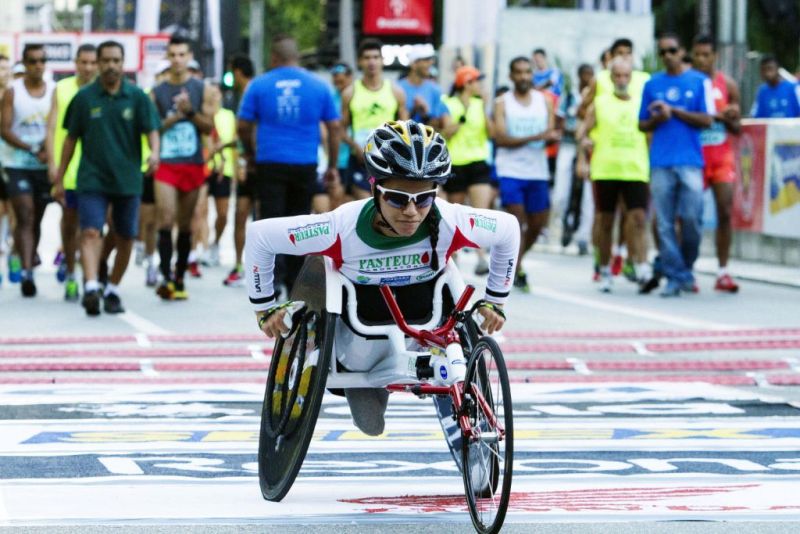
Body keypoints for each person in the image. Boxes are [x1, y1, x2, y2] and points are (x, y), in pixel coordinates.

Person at [246, 119, 519, 436]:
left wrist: (496, 300)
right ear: (374, 188)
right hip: (360, 339)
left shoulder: (451, 220)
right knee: (371, 424)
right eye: (398, 198)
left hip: (427, 328)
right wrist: (264, 306)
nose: (412, 212)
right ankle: (364, 384)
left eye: (424, 198)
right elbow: (260, 237)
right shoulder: (340, 227)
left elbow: (509, 230)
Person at [55, 40, 160, 315]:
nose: (111, 66)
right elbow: (70, 140)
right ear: (99, 63)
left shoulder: (136, 97)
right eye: (106, 61)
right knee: (90, 231)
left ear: (123, 63)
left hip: (127, 180)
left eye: (116, 60)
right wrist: (59, 178)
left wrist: (155, 153)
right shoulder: (84, 98)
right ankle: (90, 287)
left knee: (125, 236)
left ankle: (112, 288)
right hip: (91, 179)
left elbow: (152, 130)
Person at [237, 34, 341, 295]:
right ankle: (295, 281)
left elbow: (243, 125)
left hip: (270, 162)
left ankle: (270, 282)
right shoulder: (319, 86)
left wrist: (250, 153)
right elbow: (334, 126)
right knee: (299, 222)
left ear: (274, 57)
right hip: (305, 163)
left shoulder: (259, 85)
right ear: (297, 57)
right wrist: (332, 164)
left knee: (270, 221)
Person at [638, 33, 713, 297]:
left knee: (692, 218)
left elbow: (707, 120)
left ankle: (685, 267)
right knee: (665, 223)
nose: (668, 56)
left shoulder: (699, 81)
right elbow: (641, 123)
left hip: (690, 160)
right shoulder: (652, 83)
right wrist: (657, 119)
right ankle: (675, 275)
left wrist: (674, 111)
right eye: (663, 52)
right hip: (661, 160)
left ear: (683, 52)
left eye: (672, 50)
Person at [577, 58, 650, 293]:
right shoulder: (599, 104)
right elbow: (581, 132)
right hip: (605, 170)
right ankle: (606, 269)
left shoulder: (641, 103)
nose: (621, 80)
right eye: (617, 76)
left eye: (625, 76)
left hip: (636, 169)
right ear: (610, 78)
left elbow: (650, 134)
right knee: (606, 222)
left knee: (638, 219)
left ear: (631, 77)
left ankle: (640, 265)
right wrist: (584, 145)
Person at [151, 35, 216, 301]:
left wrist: (190, 112)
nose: (177, 60)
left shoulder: (203, 89)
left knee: (187, 225)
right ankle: (165, 274)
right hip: (167, 163)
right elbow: (151, 127)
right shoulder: (157, 92)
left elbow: (209, 127)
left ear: (189, 58)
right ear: (167, 57)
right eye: (173, 55)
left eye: (182, 55)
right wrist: (174, 117)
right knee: (165, 219)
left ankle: (179, 276)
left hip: (192, 163)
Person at [493, 56, 559, 293]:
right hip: (510, 170)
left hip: (537, 171)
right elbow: (501, 138)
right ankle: (512, 270)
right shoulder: (502, 103)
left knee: (537, 223)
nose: (523, 77)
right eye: (518, 72)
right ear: (511, 76)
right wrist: (537, 137)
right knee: (516, 220)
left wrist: (549, 136)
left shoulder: (545, 102)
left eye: (527, 72)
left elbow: (551, 133)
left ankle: (516, 263)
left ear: (532, 75)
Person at [0, 43, 54, 297]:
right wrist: (31, 148)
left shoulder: (54, 90)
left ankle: (25, 255)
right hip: (16, 163)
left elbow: (59, 126)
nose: (38, 66)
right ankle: (26, 272)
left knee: (37, 219)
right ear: (25, 63)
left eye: (42, 61)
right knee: (24, 214)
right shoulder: (13, 92)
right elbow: (5, 129)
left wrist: (47, 149)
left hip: (44, 166)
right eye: (33, 61)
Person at [46, 43, 97, 302]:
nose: (87, 67)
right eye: (83, 62)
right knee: (70, 223)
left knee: (94, 227)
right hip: (68, 170)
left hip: (96, 171)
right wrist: (54, 166)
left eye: (92, 63)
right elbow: (52, 127)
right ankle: (70, 273)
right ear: (75, 63)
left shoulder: (104, 91)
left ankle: (94, 274)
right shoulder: (62, 88)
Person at [692, 34, 742, 293]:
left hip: (721, 157)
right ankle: (687, 269)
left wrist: (729, 117)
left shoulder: (727, 85)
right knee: (689, 215)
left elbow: (737, 128)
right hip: (694, 157)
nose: (701, 60)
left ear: (715, 56)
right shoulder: (689, 83)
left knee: (724, 210)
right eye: (697, 55)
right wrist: (714, 116)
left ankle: (722, 271)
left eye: (706, 55)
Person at [441, 65, 494, 275]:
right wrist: (462, 116)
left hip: (478, 161)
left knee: (480, 213)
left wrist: (486, 109)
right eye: (476, 81)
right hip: (456, 163)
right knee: (458, 212)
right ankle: (453, 256)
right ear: (467, 83)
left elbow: (491, 133)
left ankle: (481, 257)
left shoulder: (480, 104)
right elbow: (447, 132)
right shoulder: (449, 103)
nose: (480, 85)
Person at [340, 38, 408, 200]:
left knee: (386, 202)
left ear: (383, 61)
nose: (372, 62)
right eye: (367, 57)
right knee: (366, 201)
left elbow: (406, 127)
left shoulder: (396, 92)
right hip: (360, 159)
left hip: (388, 159)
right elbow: (341, 129)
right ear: (360, 62)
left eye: (376, 57)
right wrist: (355, 146)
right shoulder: (350, 93)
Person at [222, 53, 255, 288]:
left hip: (256, 164)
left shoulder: (252, 92)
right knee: (242, 215)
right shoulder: (241, 94)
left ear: (236, 71)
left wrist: (245, 160)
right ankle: (239, 265)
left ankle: (255, 267)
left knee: (252, 217)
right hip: (249, 163)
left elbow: (249, 131)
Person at [398, 44, 448, 128]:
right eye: (426, 60)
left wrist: (425, 114)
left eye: (431, 59)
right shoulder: (397, 88)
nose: (431, 62)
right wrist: (414, 110)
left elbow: (439, 128)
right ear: (414, 64)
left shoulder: (435, 90)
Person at [328, 62, 353, 208]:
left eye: (341, 80)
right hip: (339, 158)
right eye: (335, 80)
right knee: (337, 199)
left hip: (356, 156)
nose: (338, 83)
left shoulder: (357, 96)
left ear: (350, 78)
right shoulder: (331, 98)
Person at [0, 54, 13, 287]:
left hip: (14, 162)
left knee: (17, 214)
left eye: (5, 68)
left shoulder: (15, 96)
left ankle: (15, 252)